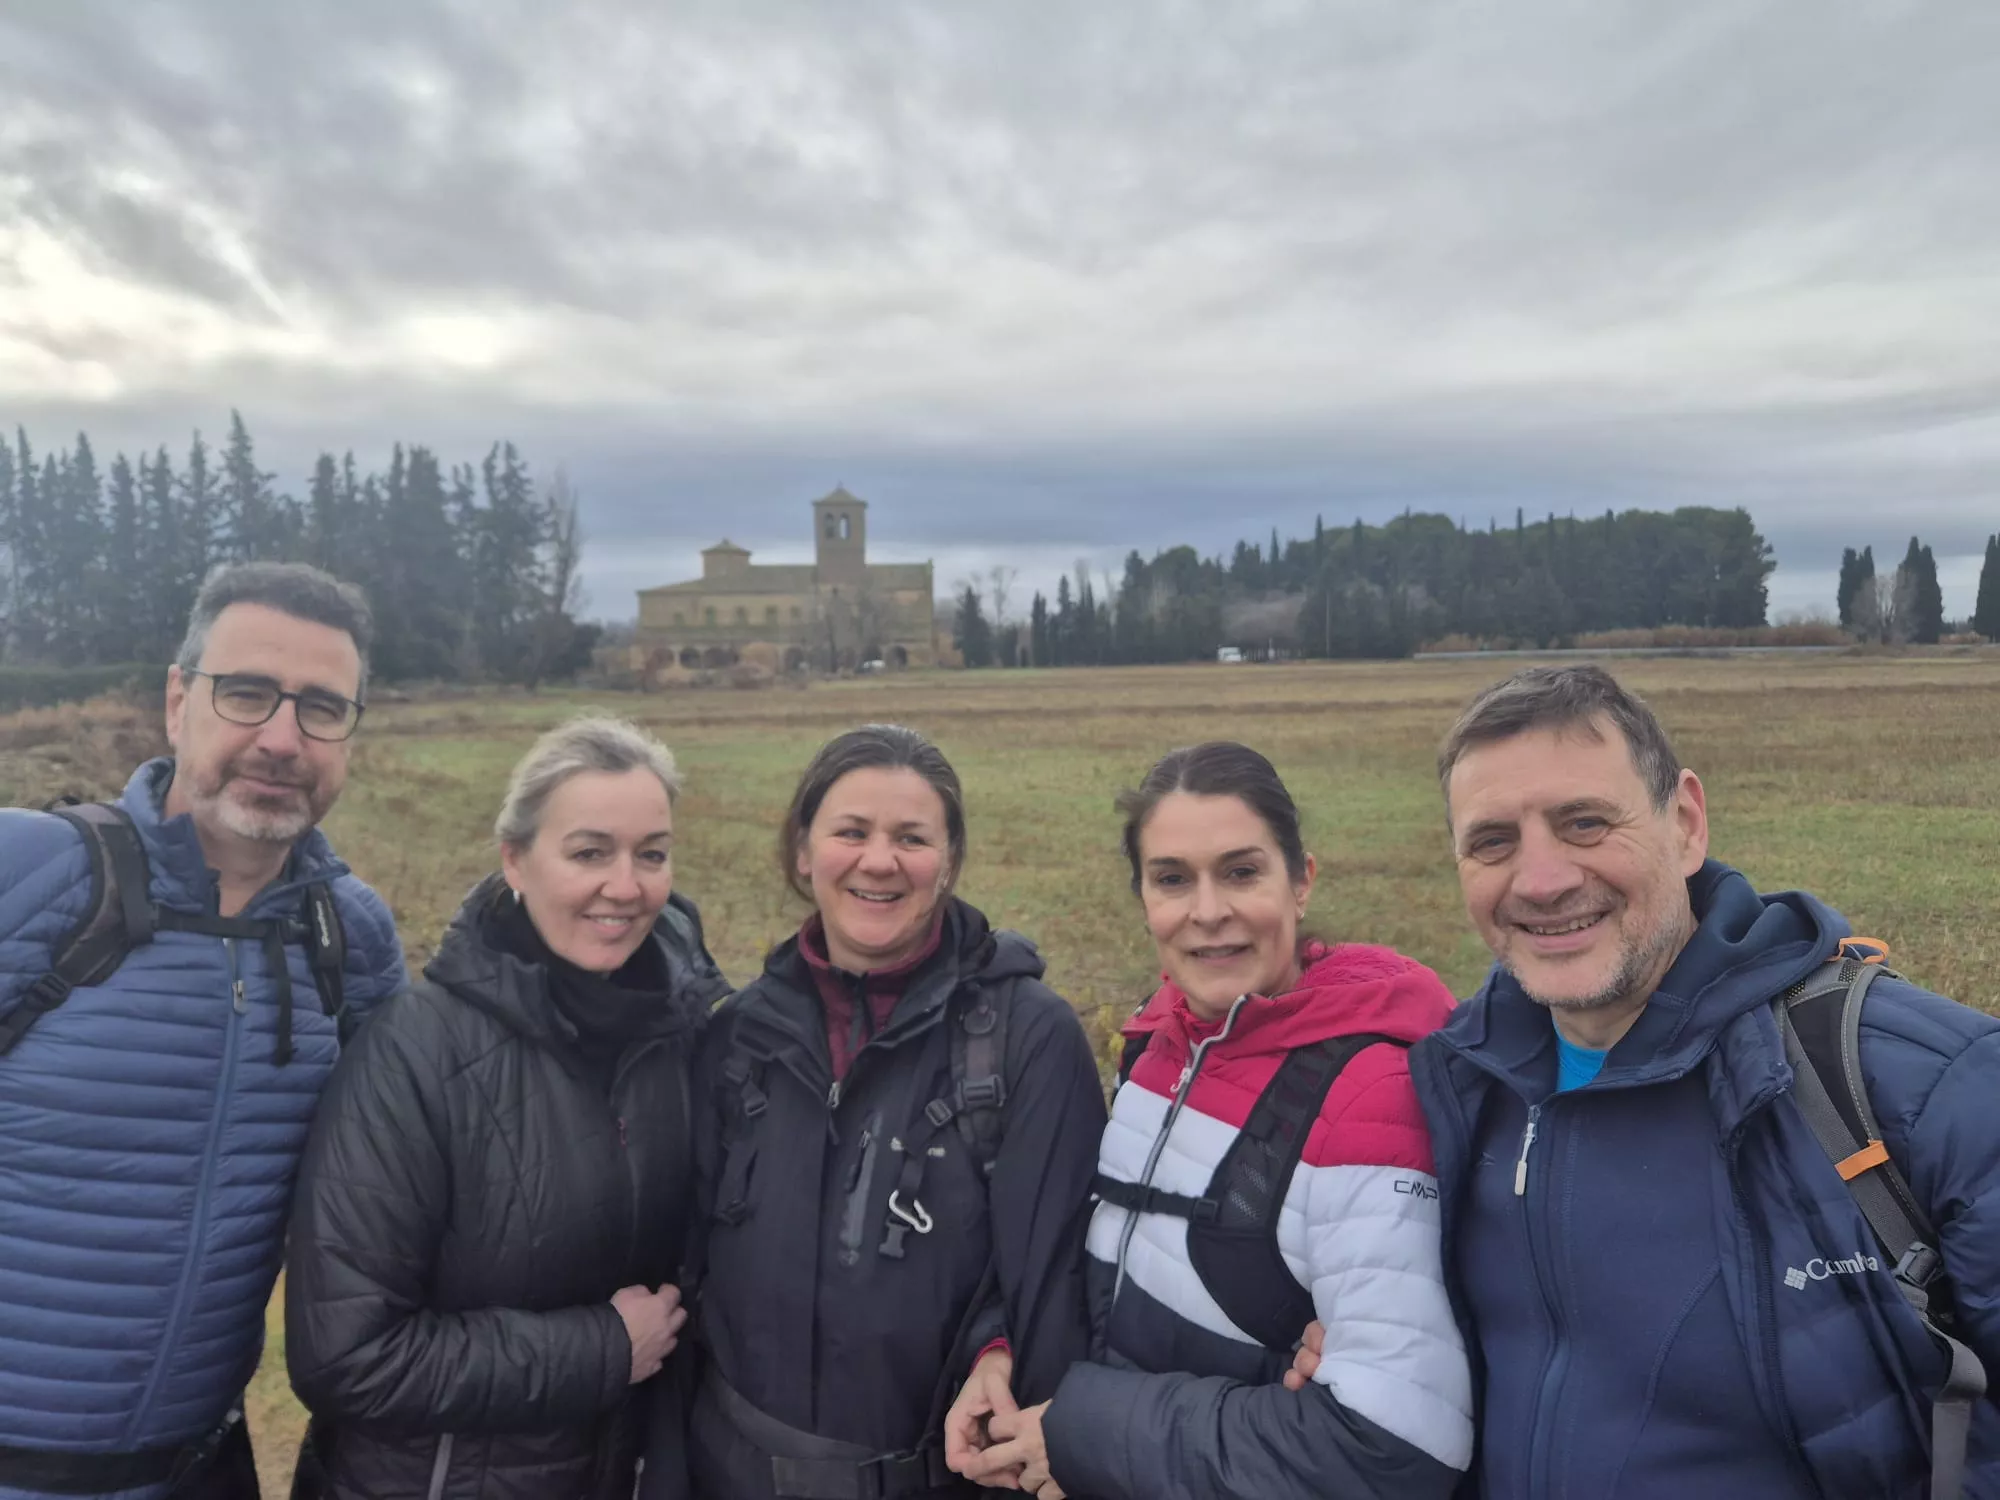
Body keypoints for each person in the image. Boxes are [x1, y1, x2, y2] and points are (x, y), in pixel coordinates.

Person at [1288, 664, 2000, 1499]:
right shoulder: (1462, 1089)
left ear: (1686, 823)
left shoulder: (1928, 1086)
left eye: (1585, 823)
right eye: (1492, 842)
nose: (1542, 880)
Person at [957, 741, 1473, 1499]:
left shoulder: (1366, 1093)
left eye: (1241, 872)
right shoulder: (1156, 1044)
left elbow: (1395, 1446)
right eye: (1172, 879)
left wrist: (1083, 1434)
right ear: (1143, 898)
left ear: (1301, 882)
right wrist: (997, 1354)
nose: (1207, 912)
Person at [0, 562, 407, 1500]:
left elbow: (417, 1179)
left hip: (200, 1470)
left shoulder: (351, 936)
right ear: (178, 700)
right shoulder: (35, 876)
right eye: (248, 693)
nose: (281, 738)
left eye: (321, 708)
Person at [285, 716, 729, 1500]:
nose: (625, 886)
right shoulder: (416, 1054)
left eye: (651, 854)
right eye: (589, 852)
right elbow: (346, 1355)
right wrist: (604, 1350)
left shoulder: (693, 1036)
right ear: (515, 861)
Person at [673, 724, 1105, 1500]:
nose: (880, 861)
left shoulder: (1027, 1038)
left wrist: (996, 1348)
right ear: (803, 853)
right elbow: (687, 1278)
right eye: (851, 832)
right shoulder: (736, 1038)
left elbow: (1053, 1286)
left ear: (948, 865)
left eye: (912, 837)